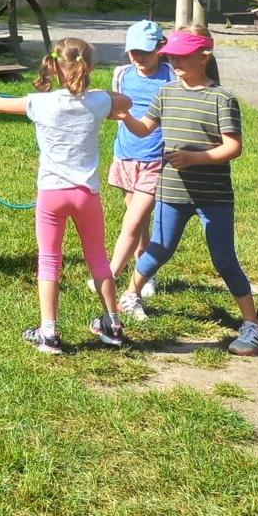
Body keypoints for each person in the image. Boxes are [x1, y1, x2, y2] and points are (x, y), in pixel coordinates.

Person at [0, 38, 132, 354]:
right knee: (97, 257)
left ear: (54, 68)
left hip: (52, 195)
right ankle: (113, 324)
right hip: (87, 195)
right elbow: (126, 103)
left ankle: (49, 332)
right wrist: (105, 99)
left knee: (49, 260)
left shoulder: (39, 103)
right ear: (90, 67)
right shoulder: (98, 102)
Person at [119, 24, 258, 356]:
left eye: (182, 56)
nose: (174, 61)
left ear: (204, 56)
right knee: (159, 248)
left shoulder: (221, 99)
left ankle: (252, 324)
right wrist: (125, 116)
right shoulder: (166, 93)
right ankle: (130, 296)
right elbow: (145, 128)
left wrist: (194, 158)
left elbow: (233, 147)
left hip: (213, 195)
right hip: (172, 191)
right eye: (171, 55)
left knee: (224, 259)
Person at [96, 19, 174, 320]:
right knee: (137, 220)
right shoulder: (122, 74)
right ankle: (146, 268)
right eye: (132, 52)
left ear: (160, 48)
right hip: (126, 155)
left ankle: (111, 276)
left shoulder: (171, 77)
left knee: (133, 220)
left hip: (157, 159)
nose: (138, 58)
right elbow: (115, 111)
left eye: (144, 51)